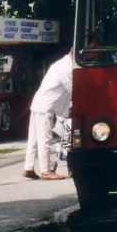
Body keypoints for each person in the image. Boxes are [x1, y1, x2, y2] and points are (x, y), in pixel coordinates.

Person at [23, 50, 72, 180]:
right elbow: (73, 88)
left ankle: (28, 167)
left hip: (39, 103)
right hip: (46, 106)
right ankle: (46, 171)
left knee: (33, 140)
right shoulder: (66, 68)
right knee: (45, 138)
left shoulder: (60, 64)